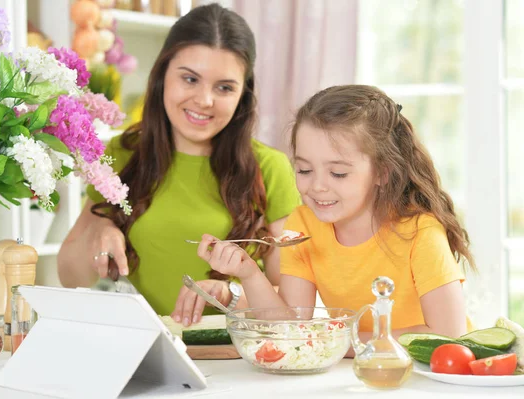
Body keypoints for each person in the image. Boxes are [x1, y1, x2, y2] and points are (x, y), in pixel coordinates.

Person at [57, 4, 300, 326]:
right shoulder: (123, 153)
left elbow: (293, 303)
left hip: (235, 356)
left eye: (224, 87)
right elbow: (70, 277)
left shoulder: (270, 167)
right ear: (162, 75)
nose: (204, 100)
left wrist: (231, 293)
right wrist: (100, 228)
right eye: (190, 79)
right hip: (141, 349)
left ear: (243, 94)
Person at [195, 85, 475, 339]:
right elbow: (291, 325)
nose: (317, 187)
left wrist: (338, 341)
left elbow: (449, 333)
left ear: (382, 172)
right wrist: (248, 274)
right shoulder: (303, 224)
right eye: (304, 170)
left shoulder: (420, 232)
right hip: (358, 370)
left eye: (338, 173)